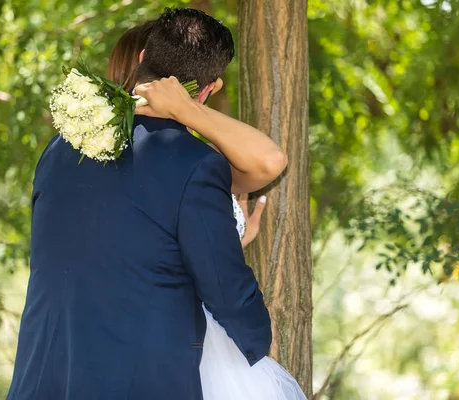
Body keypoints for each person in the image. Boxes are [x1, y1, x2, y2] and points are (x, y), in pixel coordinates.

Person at [114, 16, 306, 400]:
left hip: (194, 333)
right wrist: (188, 107)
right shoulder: (190, 162)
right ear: (211, 88)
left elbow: (268, 161)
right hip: (174, 337)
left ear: (140, 59)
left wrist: (186, 112)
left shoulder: (200, 160)